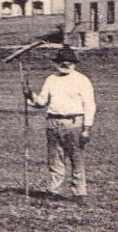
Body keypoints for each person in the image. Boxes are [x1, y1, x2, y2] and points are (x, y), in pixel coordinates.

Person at [24, 45, 96, 202]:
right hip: (52, 122)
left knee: (76, 158)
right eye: (62, 61)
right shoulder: (51, 79)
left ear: (74, 63)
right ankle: (53, 191)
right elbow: (41, 102)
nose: (65, 64)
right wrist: (30, 95)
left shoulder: (82, 80)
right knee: (54, 158)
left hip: (74, 122)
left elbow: (90, 105)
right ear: (56, 63)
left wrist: (86, 129)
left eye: (69, 62)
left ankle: (79, 193)